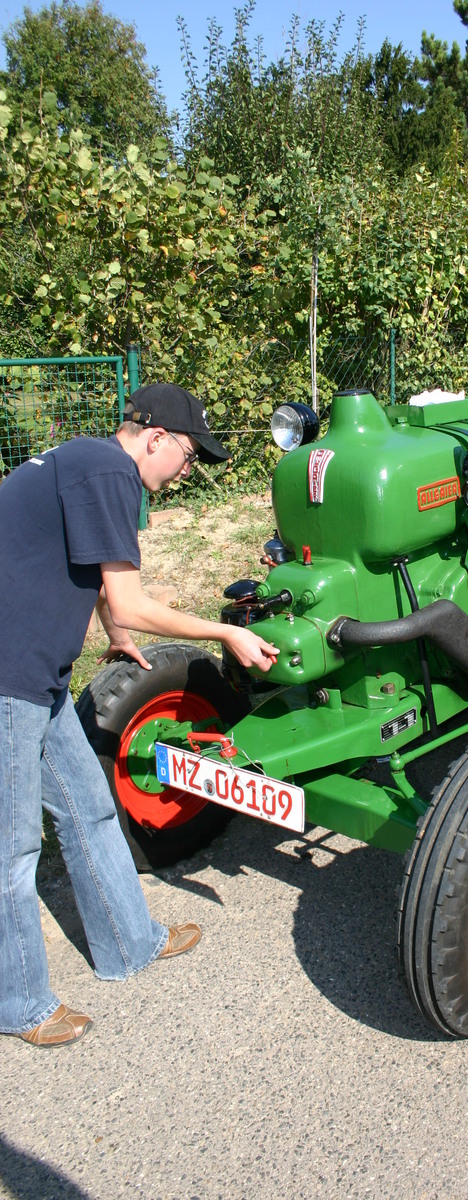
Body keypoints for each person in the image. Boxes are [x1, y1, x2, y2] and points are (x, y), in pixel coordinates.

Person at [0, 382, 279, 1048]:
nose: (187, 472)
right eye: (188, 456)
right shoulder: (111, 473)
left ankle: (130, 943)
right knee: (13, 848)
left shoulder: (84, 459)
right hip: (9, 676)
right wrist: (226, 631)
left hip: (38, 673)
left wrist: (112, 631)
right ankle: (19, 1004)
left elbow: (93, 574)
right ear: (155, 438)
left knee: (90, 809)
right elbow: (128, 597)